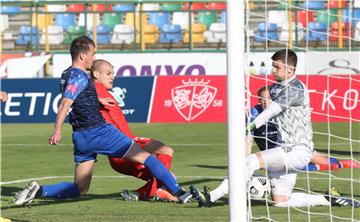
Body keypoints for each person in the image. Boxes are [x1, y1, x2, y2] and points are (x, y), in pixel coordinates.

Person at [12, 35, 193, 205]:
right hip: (98, 131)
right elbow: (66, 103)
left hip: (81, 137)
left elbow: (77, 97)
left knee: (80, 188)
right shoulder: (79, 75)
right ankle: (180, 193)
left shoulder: (67, 73)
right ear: (83, 55)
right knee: (148, 159)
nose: (94, 57)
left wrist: (97, 99)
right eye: (93, 53)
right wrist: (57, 130)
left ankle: (38, 191)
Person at [190, 49, 360, 208]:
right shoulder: (275, 87)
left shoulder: (296, 88)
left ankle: (211, 197)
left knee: (249, 162)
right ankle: (328, 200)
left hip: (296, 150)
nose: (272, 70)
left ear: (290, 69)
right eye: (273, 66)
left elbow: (271, 110)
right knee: (281, 201)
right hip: (284, 149)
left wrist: (250, 125)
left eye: (277, 67)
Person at [91, 59, 177, 202]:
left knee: (169, 177)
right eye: (108, 73)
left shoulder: (101, 91)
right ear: (95, 74)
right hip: (123, 146)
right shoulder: (94, 88)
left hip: (127, 145)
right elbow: (79, 92)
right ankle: (154, 191)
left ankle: (143, 193)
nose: (112, 76)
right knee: (166, 151)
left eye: (113, 73)